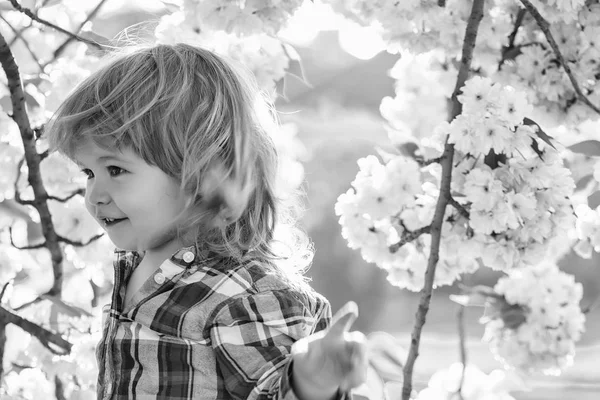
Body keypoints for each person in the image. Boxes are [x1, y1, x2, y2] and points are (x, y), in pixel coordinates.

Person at [45, 43, 368, 400]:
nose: (94, 195)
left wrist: (312, 382)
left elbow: (270, 390)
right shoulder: (140, 269)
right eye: (89, 172)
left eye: (115, 170)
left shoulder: (242, 297)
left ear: (198, 173)